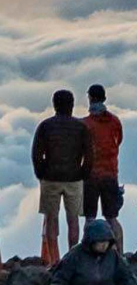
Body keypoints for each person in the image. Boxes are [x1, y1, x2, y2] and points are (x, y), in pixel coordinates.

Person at [32, 89, 93, 267]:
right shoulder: (81, 127)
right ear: (72, 105)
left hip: (50, 178)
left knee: (51, 219)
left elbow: (37, 153)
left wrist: (41, 173)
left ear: (54, 105)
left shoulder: (45, 126)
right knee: (73, 219)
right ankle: (72, 258)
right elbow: (89, 155)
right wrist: (83, 173)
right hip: (74, 178)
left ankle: (53, 261)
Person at [51, 219, 137, 285]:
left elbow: (127, 279)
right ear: (91, 240)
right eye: (100, 241)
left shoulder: (113, 256)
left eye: (106, 241)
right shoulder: (74, 256)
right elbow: (59, 281)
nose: (104, 245)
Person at [82, 83, 125, 251]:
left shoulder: (85, 124)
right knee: (112, 218)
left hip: (91, 176)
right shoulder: (115, 122)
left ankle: (87, 252)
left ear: (90, 98)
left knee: (89, 219)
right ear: (104, 98)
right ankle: (120, 253)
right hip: (110, 174)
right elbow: (118, 141)